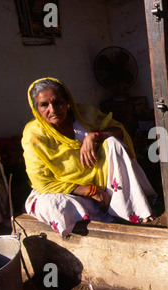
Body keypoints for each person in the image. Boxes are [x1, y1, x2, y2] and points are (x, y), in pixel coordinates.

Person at [22, 77, 156, 236]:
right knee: (55, 206)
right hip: (70, 189)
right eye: (44, 105)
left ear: (67, 101)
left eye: (58, 102)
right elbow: (42, 181)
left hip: (104, 179)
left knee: (113, 143)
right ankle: (102, 216)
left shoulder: (84, 115)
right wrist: (88, 190)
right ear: (36, 108)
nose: (53, 109)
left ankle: (133, 209)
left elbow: (119, 130)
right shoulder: (34, 136)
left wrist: (94, 136)